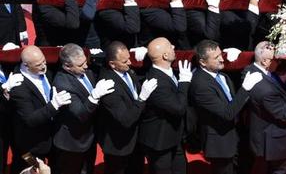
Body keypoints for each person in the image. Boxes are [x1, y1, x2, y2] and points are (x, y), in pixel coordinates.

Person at [189, 40, 263, 174]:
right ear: (202, 62)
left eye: (220, 55)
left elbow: (234, 103)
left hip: (236, 137)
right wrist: (245, 88)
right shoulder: (200, 85)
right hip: (219, 143)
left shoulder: (223, 76)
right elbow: (227, 113)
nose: (222, 60)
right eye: (216, 57)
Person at [244, 41, 286, 174]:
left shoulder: (250, 70)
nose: (279, 63)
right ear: (265, 61)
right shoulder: (265, 90)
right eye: (275, 60)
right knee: (282, 169)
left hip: (285, 130)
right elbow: (284, 114)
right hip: (277, 135)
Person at [52, 43, 116, 174]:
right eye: (80, 65)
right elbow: (81, 114)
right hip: (72, 143)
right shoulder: (62, 84)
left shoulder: (86, 71)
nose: (86, 66)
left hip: (89, 137)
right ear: (67, 66)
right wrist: (95, 95)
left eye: (85, 62)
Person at [97, 41, 158, 174]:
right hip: (119, 146)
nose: (129, 63)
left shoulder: (128, 72)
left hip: (135, 141)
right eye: (124, 61)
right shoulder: (108, 85)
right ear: (112, 64)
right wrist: (142, 98)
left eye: (128, 59)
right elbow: (126, 119)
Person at [9, 46, 72, 173]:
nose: (44, 66)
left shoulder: (46, 72)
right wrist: (54, 105)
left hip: (52, 140)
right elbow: (30, 119)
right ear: (26, 66)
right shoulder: (19, 86)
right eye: (38, 64)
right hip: (30, 147)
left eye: (44, 61)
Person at [138, 37, 192, 174]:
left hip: (174, 137)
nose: (173, 46)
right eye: (170, 46)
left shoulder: (170, 72)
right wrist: (184, 83)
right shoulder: (155, 82)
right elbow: (178, 108)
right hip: (159, 142)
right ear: (165, 55)